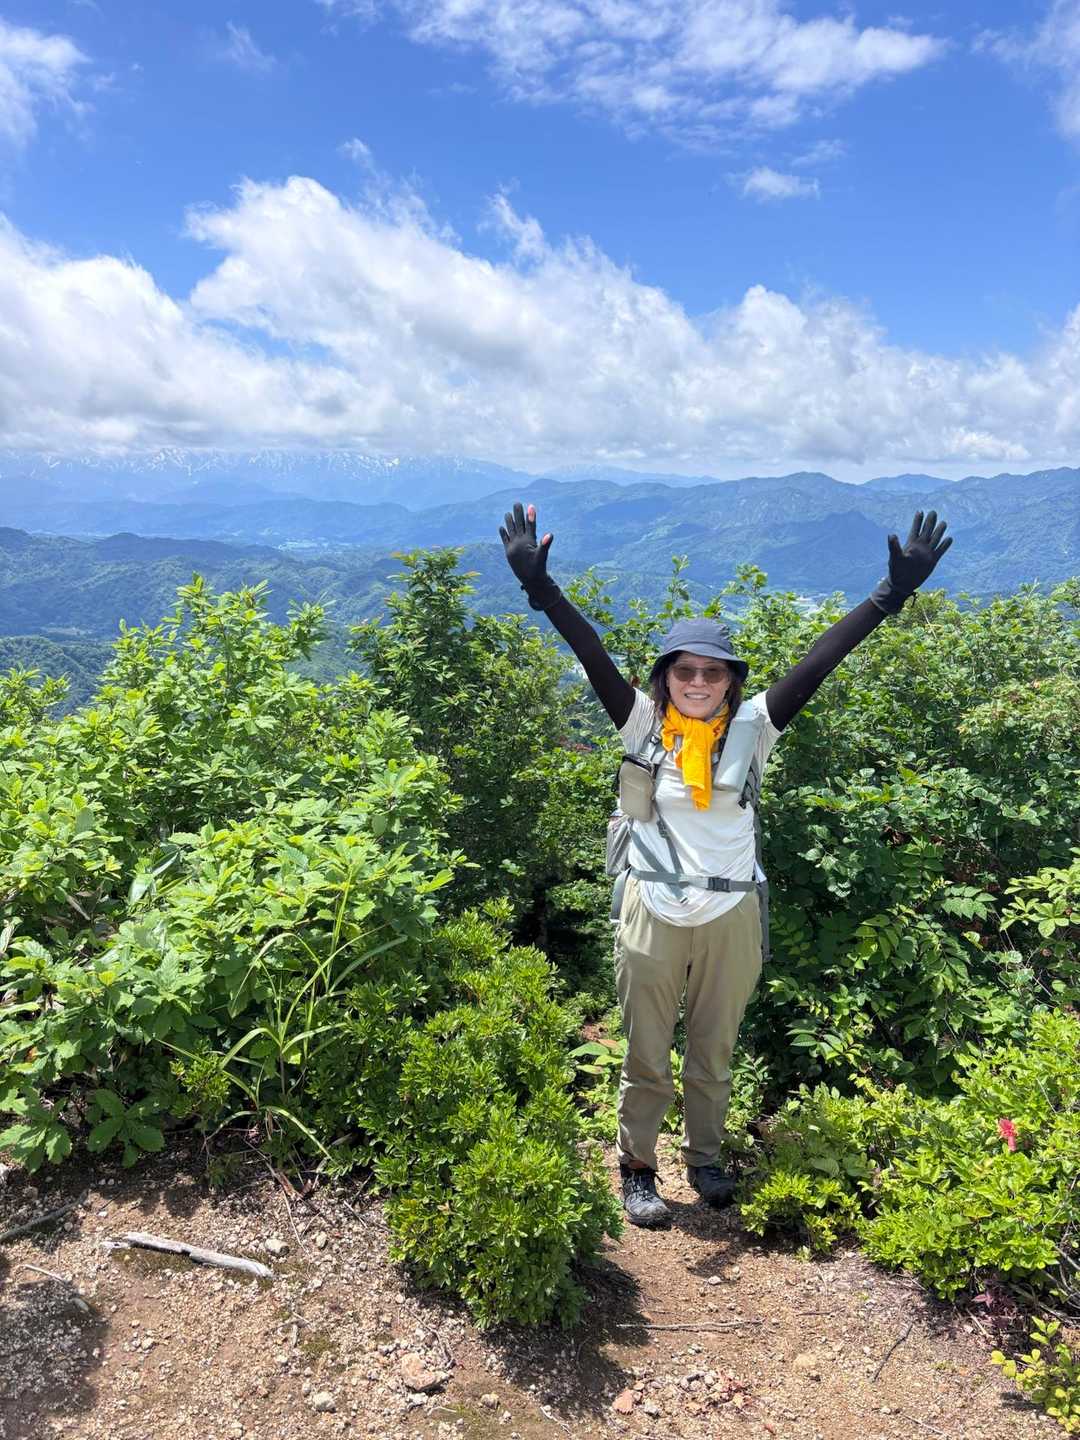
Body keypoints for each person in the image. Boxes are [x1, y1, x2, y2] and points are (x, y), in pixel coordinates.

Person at [500, 501, 953, 1229]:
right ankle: (638, 1167)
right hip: (652, 906)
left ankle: (704, 1158)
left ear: (731, 681)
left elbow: (819, 662)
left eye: (712, 672)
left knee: (713, 1049)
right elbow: (591, 654)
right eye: (684, 670)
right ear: (665, 677)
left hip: (731, 910)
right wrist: (541, 588)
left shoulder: (754, 727)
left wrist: (890, 594)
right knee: (646, 1051)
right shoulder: (642, 725)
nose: (698, 681)